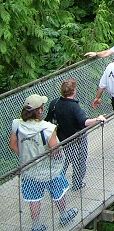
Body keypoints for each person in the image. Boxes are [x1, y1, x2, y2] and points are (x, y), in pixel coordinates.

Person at [10, 94, 78, 231]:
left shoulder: (17, 124)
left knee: (34, 199)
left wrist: (26, 155)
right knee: (58, 192)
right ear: (40, 111)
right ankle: (63, 215)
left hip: (29, 170)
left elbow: (13, 145)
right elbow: (55, 149)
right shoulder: (48, 128)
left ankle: (36, 226)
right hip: (49, 169)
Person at [46, 79, 106, 190]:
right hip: (78, 139)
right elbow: (84, 122)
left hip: (62, 140)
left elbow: (48, 120)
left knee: (63, 162)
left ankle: (57, 183)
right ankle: (77, 183)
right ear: (73, 91)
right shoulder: (74, 107)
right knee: (80, 162)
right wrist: (98, 119)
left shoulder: (55, 103)